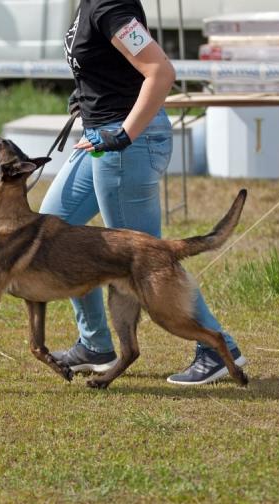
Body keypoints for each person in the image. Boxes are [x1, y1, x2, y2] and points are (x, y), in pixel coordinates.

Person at [39, 0, 246, 385]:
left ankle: (218, 349)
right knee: (55, 233)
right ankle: (95, 344)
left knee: (150, 259)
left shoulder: (109, 6)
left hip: (125, 144)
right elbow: (110, 66)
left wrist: (124, 134)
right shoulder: (88, 5)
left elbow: (160, 71)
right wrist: (84, 97)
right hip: (98, 139)